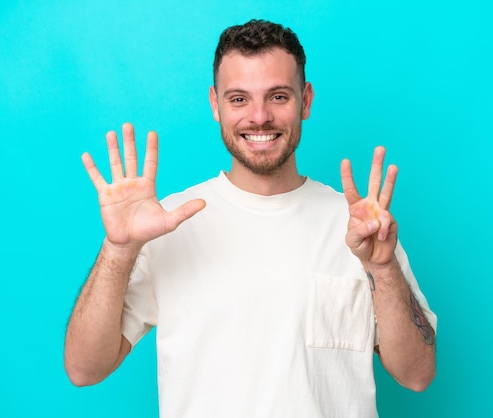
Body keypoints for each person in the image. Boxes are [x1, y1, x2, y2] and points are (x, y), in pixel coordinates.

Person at [64, 19, 436, 418]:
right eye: (239, 99)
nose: (259, 117)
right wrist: (119, 249)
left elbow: (417, 374)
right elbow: (85, 369)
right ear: (215, 104)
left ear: (306, 100)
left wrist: (382, 267)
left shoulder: (359, 231)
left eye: (277, 96)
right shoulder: (168, 223)